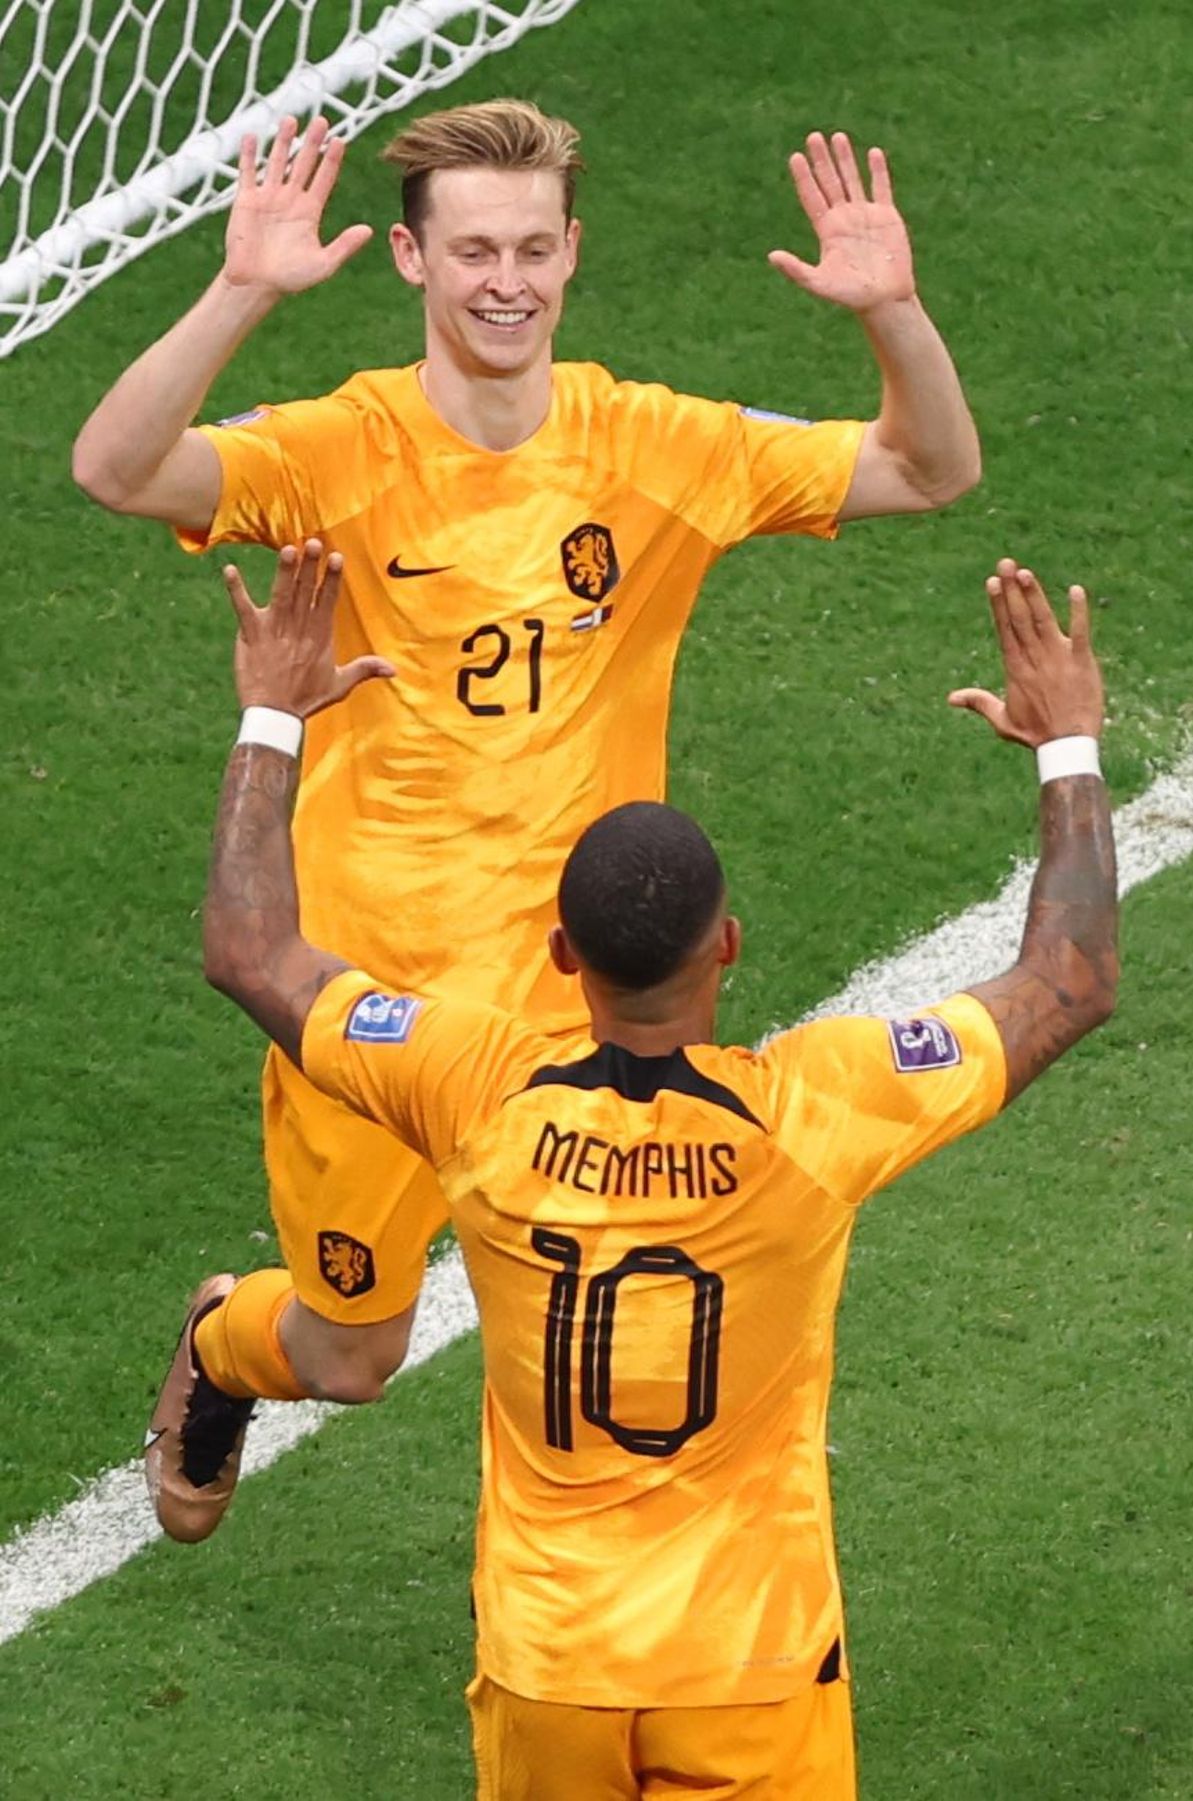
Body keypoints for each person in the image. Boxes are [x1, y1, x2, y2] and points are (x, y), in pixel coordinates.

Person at [74, 99, 981, 1540]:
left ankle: (613, 1636)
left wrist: (897, 314)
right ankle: (222, 1340)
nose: (508, 280)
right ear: (415, 265)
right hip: (366, 991)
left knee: (611, 1315)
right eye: (476, 249)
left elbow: (933, 469)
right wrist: (242, 285)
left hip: (583, 998)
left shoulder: (657, 444)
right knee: (351, 1354)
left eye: (535, 248)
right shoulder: (340, 448)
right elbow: (116, 468)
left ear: (573, 255)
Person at [171, 542, 1115, 1797]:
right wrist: (1069, 746)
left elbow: (249, 948)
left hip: (549, 1661)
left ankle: (226, 1338)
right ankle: (225, 1342)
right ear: (727, 944)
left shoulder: (474, 1090)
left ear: (561, 953)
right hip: (753, 1665)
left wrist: (271, 712)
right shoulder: (813, 1111)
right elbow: (1069, 979)